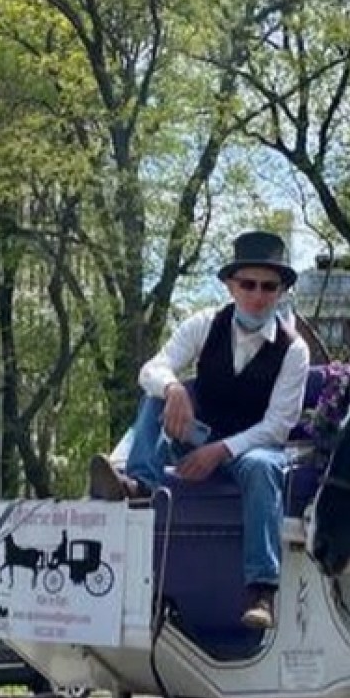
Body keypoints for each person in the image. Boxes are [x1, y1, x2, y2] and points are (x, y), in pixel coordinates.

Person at [89, 229, 310, 632]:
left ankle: (261, 591)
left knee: (263, 469)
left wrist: (220, 452)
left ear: (280, 292)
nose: (258, 296)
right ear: (231, 285)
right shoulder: (205, 324)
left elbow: (278, 426)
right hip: (198, 435)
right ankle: (138, 484)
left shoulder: (294, 350)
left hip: (253, 447)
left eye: (268, 287)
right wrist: (173, 388)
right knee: (155, 396)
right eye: (248, 284)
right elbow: (151, 369)